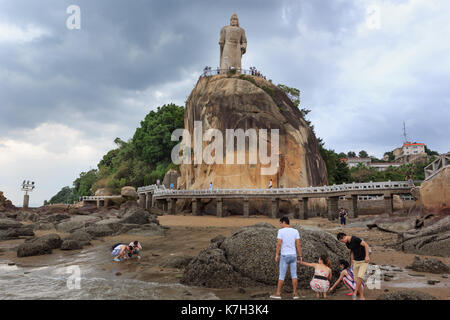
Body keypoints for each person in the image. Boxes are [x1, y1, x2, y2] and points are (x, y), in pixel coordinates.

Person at [270, 216, 302, 300]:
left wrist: (277, 254)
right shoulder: (295, 231)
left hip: (284, 255)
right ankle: (295, 294)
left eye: (281, 223)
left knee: (281, 275)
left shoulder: (281, 231)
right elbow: (298, 244)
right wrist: (300, 255)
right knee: (294, 275)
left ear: (284, 222)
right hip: (293, 255)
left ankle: (278, 294)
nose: (280, 225)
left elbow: (279, 244)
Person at [337, 232, 370, 300]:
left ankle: (355, 293)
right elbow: (352, 251)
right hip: (356, 262)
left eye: (342, 241)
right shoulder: (347, 244)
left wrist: (367, 256)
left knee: (359, 277)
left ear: (343, 237)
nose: (343, 242)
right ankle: (361, 296)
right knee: (356, 280)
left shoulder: (355, 239)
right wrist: (352, 262)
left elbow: (366, 245)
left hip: (364, 261)